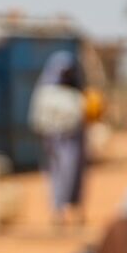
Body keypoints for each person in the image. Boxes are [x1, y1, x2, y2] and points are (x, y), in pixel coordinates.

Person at [28, 50, 88, 228]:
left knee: (73, 176)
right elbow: (37, 119)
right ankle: (58, 211)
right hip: (53, 143)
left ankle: (75, 210)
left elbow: (82, 117)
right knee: (55, 177)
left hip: (73, 143)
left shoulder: (77, 94)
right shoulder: (46, 93)